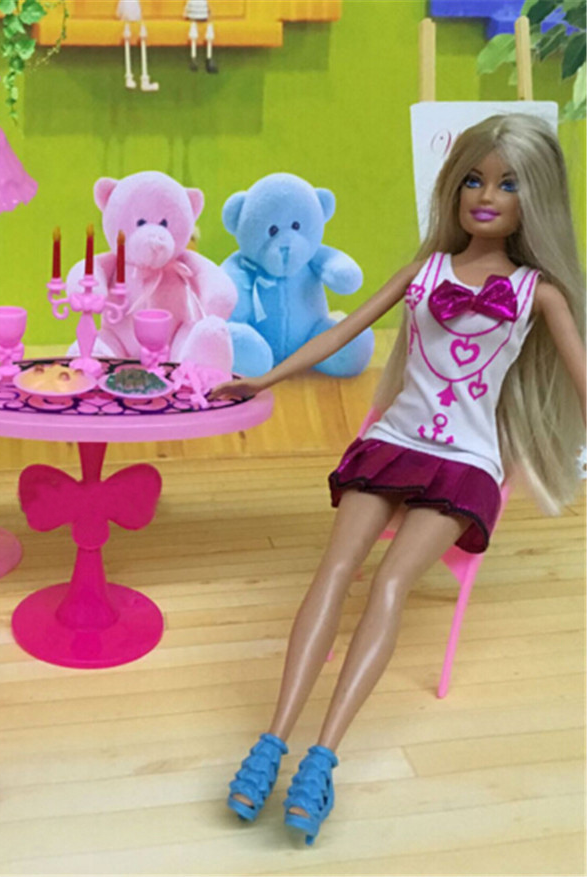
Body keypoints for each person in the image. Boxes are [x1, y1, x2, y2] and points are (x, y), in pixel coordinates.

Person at [210, 113, 586, 844]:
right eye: (474, 179)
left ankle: (322, 758)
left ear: (534, 198)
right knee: (336, 567)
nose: (486, 196)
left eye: (507, 185)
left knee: (389, 583)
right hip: (392, 443)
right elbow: (341, 331)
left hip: (466, 460)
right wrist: (265, 379)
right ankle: (271, 739)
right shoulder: (427, 272)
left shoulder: (539, 294)